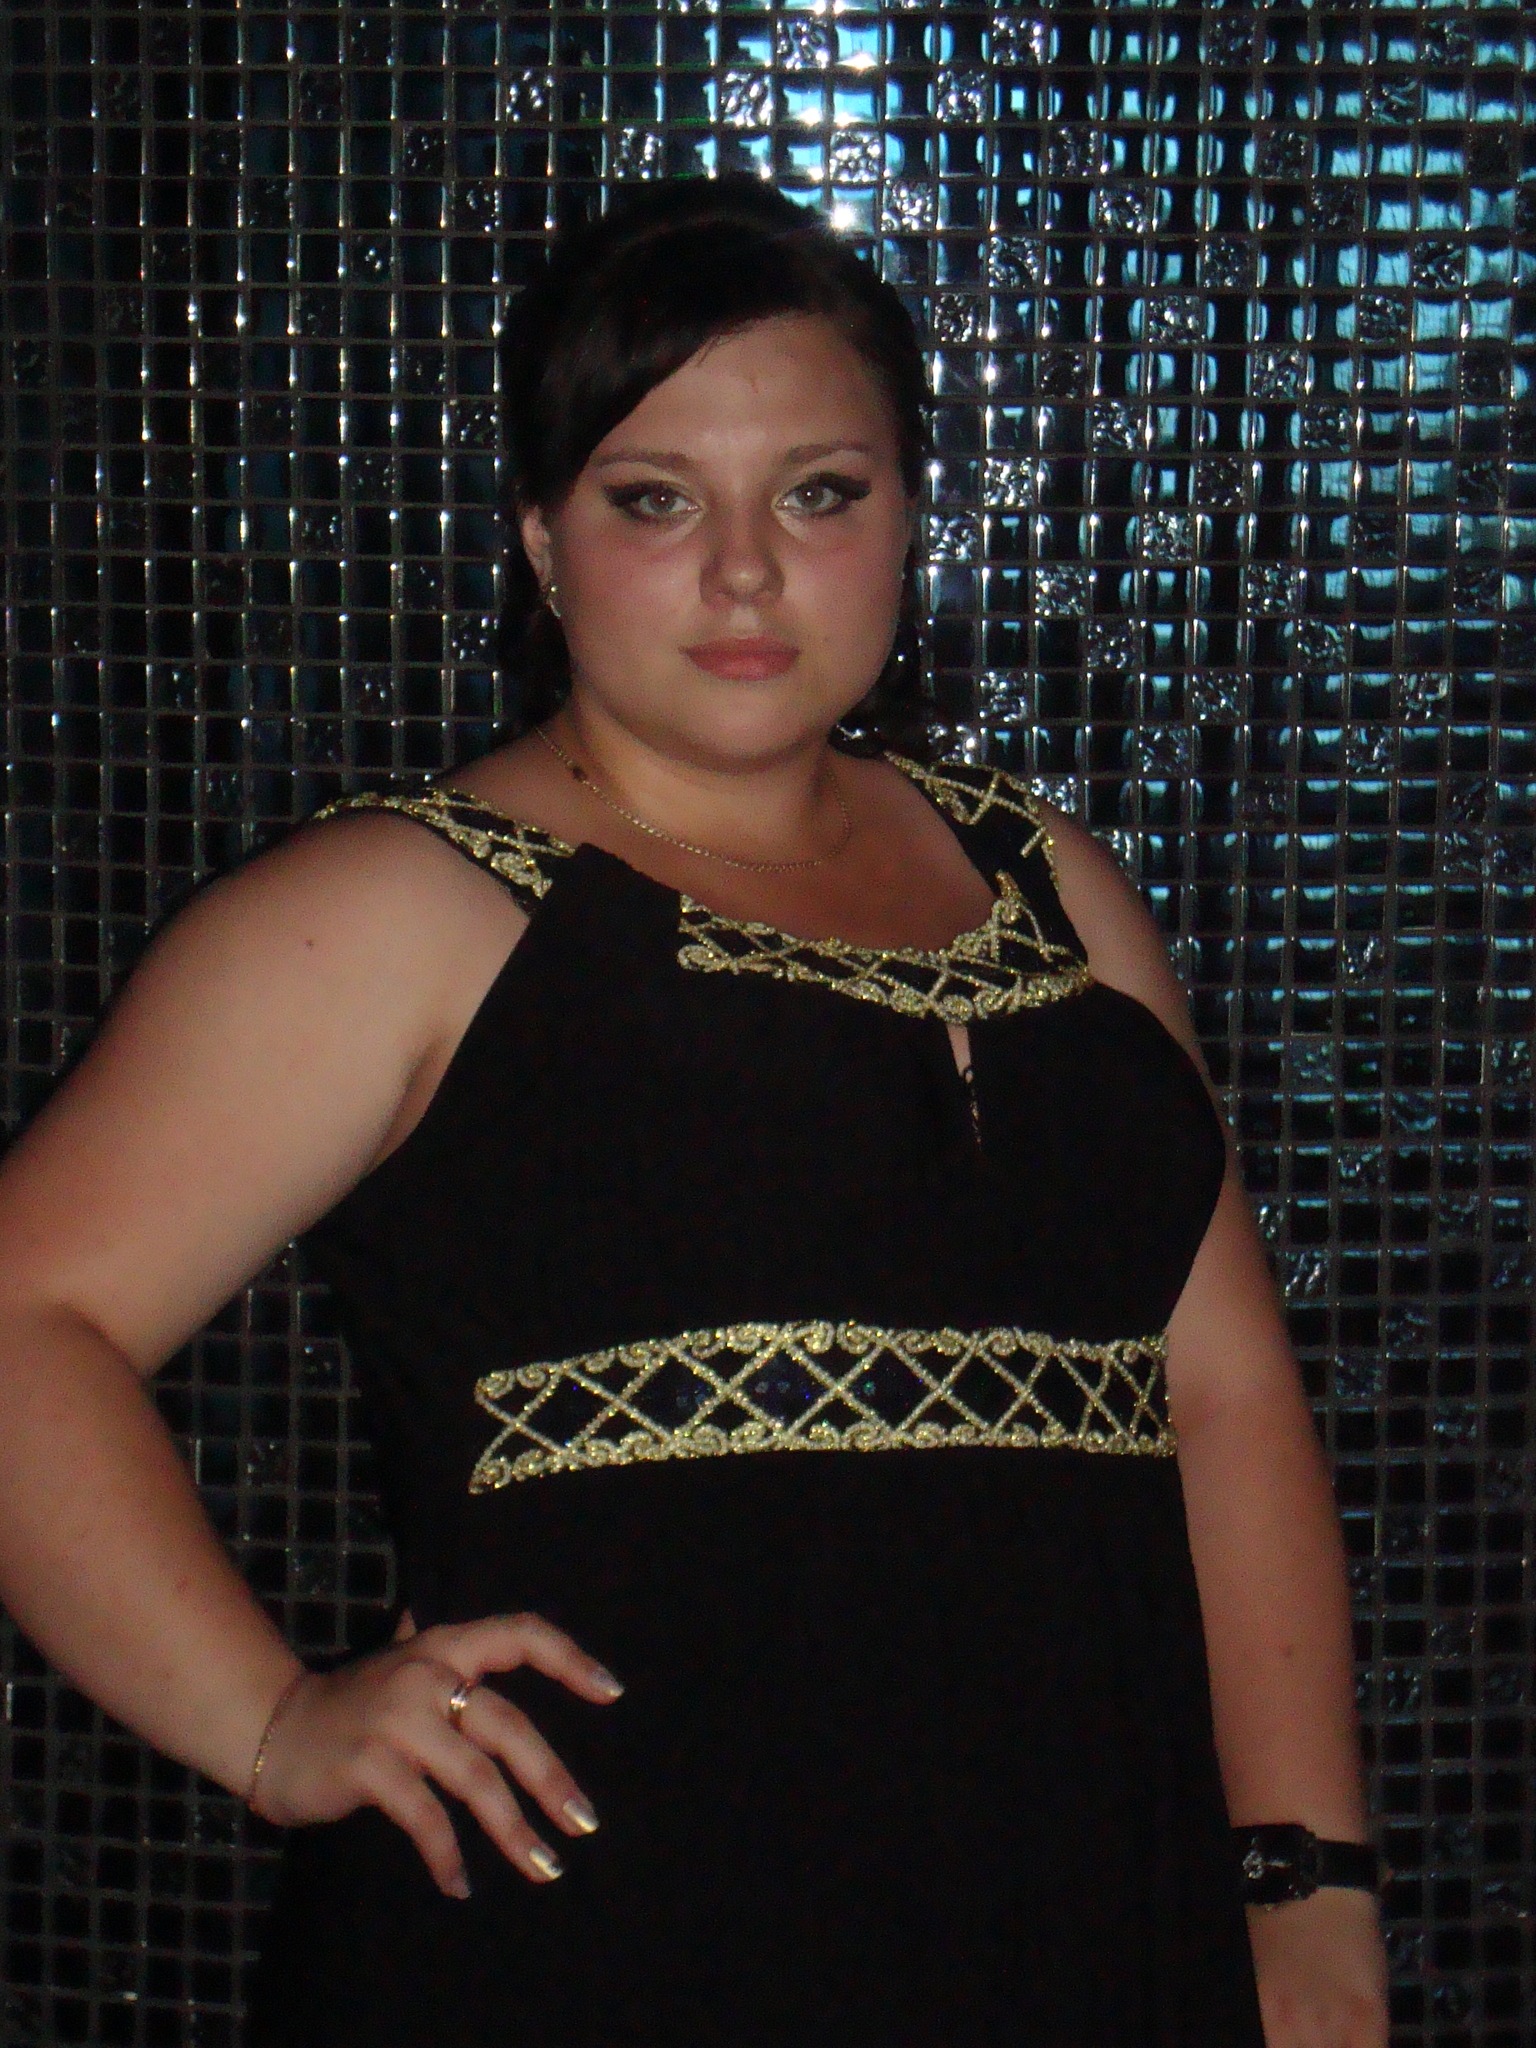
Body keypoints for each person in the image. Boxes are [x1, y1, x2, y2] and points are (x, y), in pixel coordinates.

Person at [0, 178, 1387, 2046]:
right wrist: (268, 1721)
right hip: (605, 1941)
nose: (745, 571)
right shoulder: (400, 912)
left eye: (820, 493)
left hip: (1093, 1915)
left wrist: (1303, 1884)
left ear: (910, 513)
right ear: (542, 538)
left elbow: (1219, 1398)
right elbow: (26, 1317)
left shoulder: (1054, 888)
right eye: (655, 499)